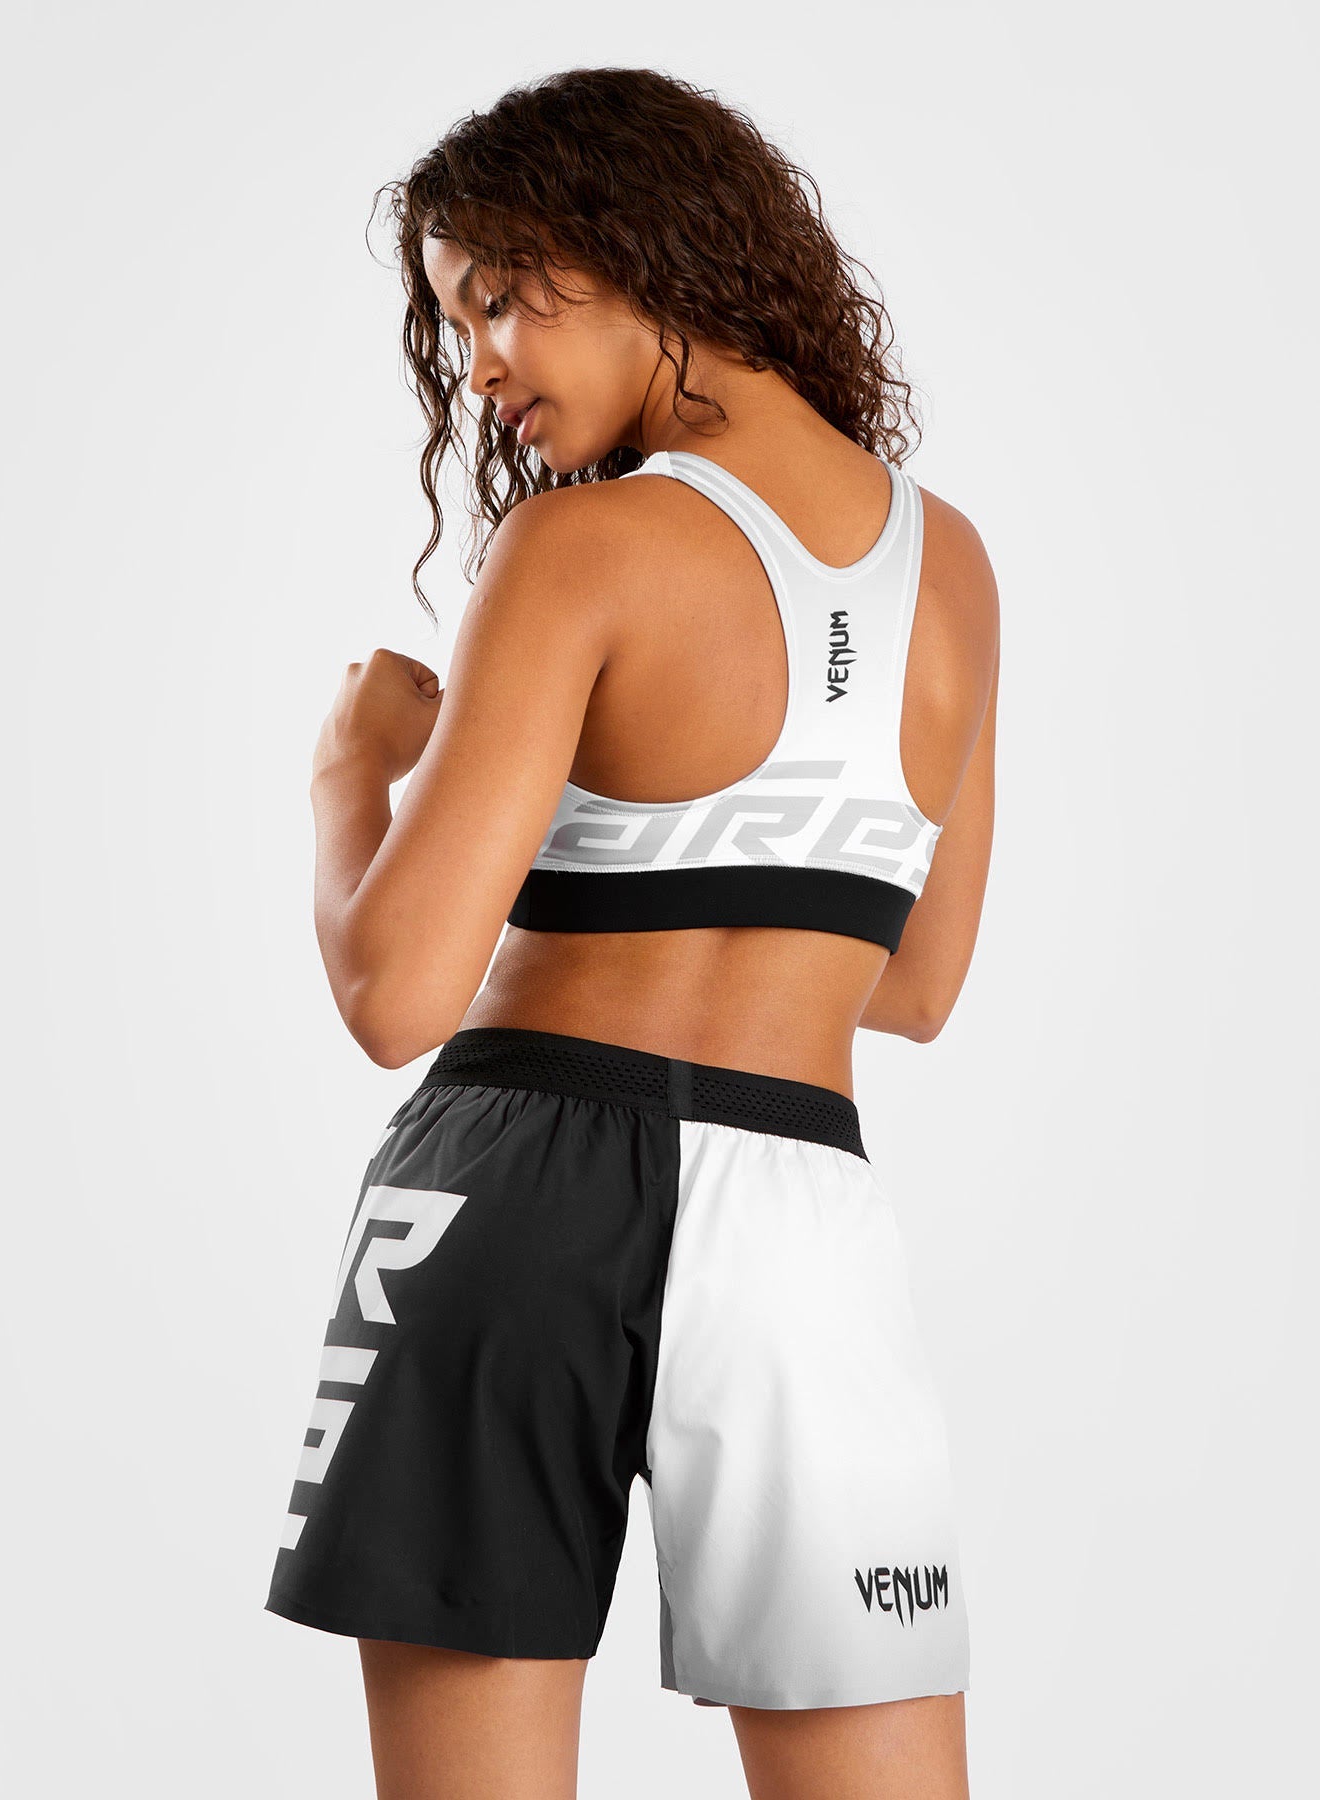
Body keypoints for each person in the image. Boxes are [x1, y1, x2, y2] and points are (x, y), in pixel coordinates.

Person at [265, 66, 999, 1800]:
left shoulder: (579, 548)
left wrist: (350, 776)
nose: (479, 364)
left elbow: (394, 994)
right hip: (802, 1205)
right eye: (459, 323)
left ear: (630, 243)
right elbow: (918, 985)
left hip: (516, 1188)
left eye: (498, 298)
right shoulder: (952, 568)